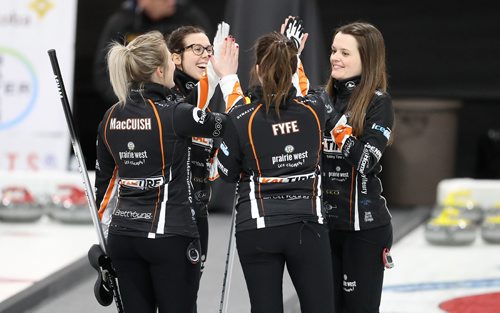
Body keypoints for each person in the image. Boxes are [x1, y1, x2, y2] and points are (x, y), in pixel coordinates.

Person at [94, 30, 227, 313]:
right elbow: (228, 124)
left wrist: (104, 243)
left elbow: (104, 191)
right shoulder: (176, 113)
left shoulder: (110, 116)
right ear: (159, 69)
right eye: (170, 60)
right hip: (169, 237)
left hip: (123, 238)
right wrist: (228, 79)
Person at [212, 31, 335, 313]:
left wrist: (228, 78)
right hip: (307, 225)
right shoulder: (316, 107)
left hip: (257, 227)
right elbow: (301, 90)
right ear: (293, 69)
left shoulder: (241, 117)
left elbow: (227, 173)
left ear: (256, 70)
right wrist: (293, 53)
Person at [321, 21, 395, 313]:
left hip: (363, 229)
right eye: (333, 50)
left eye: (345, 53)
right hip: (323, 227)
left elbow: (365, 160)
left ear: (367, 58)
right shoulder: (323, 98)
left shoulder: (379, 103)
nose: (335, 58)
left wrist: (334, 124)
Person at [166, 25, 229, 312]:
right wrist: (219, 75)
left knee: (188, 298)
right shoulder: (169, 95)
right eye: (197, 49)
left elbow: (208, 152)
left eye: (209, 49)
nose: (206, 55)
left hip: (199, 212)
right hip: (169, 217)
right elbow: (189, 112)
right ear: (175, 57)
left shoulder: (203, 95)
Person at [94, 0, 213, 105]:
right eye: (164, 0)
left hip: (182, 99)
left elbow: (209, 57)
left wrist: (183, 98)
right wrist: (129, 100)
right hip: (134, 102)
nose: (172, 2)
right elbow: (103, 72)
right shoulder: (121, 23)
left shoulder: (190, 17)